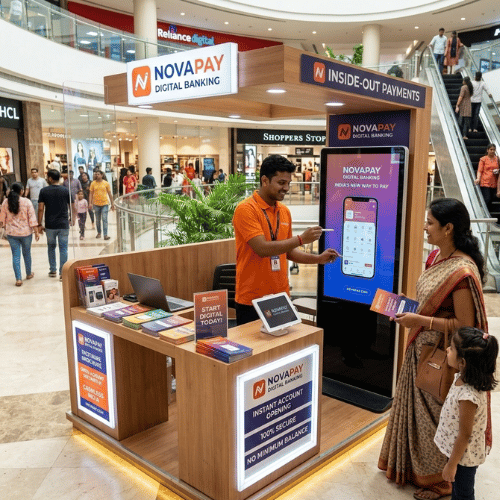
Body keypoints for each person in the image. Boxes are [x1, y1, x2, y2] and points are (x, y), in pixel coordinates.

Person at [378, 198, 488, 500]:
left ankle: (441, 481)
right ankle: (413, 469)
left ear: (448, 228)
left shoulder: (462, 271)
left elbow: (465, 326)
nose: (425, 228)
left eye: (430, 223)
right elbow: (434, 304)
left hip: (440, 356)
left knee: (434, 419)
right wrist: (407, 306)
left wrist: (420, 320)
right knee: (416, 415)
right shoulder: (436, 257)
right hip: (420, 347)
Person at [232, 154, 339, 325]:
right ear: (265, 180)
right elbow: (262, 249)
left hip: (281, 297)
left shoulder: (284, 211)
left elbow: (288, 252)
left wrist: (318, 259)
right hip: (252, 299)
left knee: (284, 343)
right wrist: (301, 239)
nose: (286, 188)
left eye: (288, 183)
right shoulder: (246, 209)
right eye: (281, 183)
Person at [434, 326, 497, 500]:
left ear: (463, 362)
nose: (447, 349)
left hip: (464, 458)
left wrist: (451, 464)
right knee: (458, 490)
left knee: (463, 494)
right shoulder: (462, 377)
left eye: (452, 348)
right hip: (458, 453)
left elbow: (465, 433)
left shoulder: (468, 397)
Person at [0, 182, 39, 286]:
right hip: (26, 233)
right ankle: (29, 274)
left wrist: (3, 227)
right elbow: (32, 218)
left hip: (12, 233)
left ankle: (18, 279)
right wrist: (36, 232)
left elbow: (2, 219)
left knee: (15, 255)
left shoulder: (5, 202)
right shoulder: (27, 202)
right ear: (21, 191)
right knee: (27, 254)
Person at [38, 169, 71, 279]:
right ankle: (62, 273)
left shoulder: (44, 191)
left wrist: (39, 224)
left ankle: (53, 270)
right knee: (63, 248)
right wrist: (73, 218)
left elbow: (41, 208)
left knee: (51, 247)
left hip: (50, 225)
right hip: (63, 224)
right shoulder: (65, 190)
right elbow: (72, 205)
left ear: (50, 178)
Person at [475, 144, 500, 217]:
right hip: (485, 182)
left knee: (491, 199)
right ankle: (484, 214)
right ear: (487, 150)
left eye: (493, 150)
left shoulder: (497, 159)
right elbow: (480, 170)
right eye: (491, 149)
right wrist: (478, 178)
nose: (492, 151)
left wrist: (498, 171)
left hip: (494, 182)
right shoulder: (483, 159)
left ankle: (488, 214)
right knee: (487, 199)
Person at [89, 169, 114, 240]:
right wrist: (90, 203)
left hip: (105, 203)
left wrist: (112, 204)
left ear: (102, 175)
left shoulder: (106, 183)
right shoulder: (93, 183)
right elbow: (90, 194)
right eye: (96, 174)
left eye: (98, 174)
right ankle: (99, 232)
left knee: (104, 219)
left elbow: (109, 194)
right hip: (96, 204)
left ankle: (105, 235)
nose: (97, 175)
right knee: (97, 220)